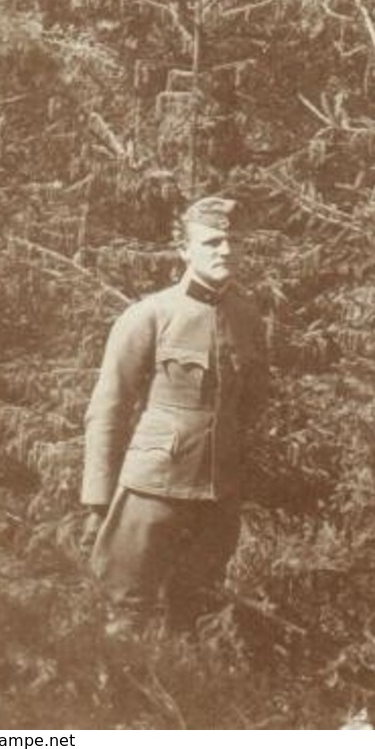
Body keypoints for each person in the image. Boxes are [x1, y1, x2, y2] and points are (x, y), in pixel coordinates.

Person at [81, 196, 268, 634]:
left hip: (216, 495)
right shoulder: (150, 315)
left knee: (196, 612)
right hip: (153, 488)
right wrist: (97, 500)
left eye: (231, 242)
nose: (225, 250)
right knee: (125, 613)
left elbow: (253, 403)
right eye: (212, 241)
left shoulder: (247, 317)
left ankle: (181, 699)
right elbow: (108, 407)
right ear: (185, 250)